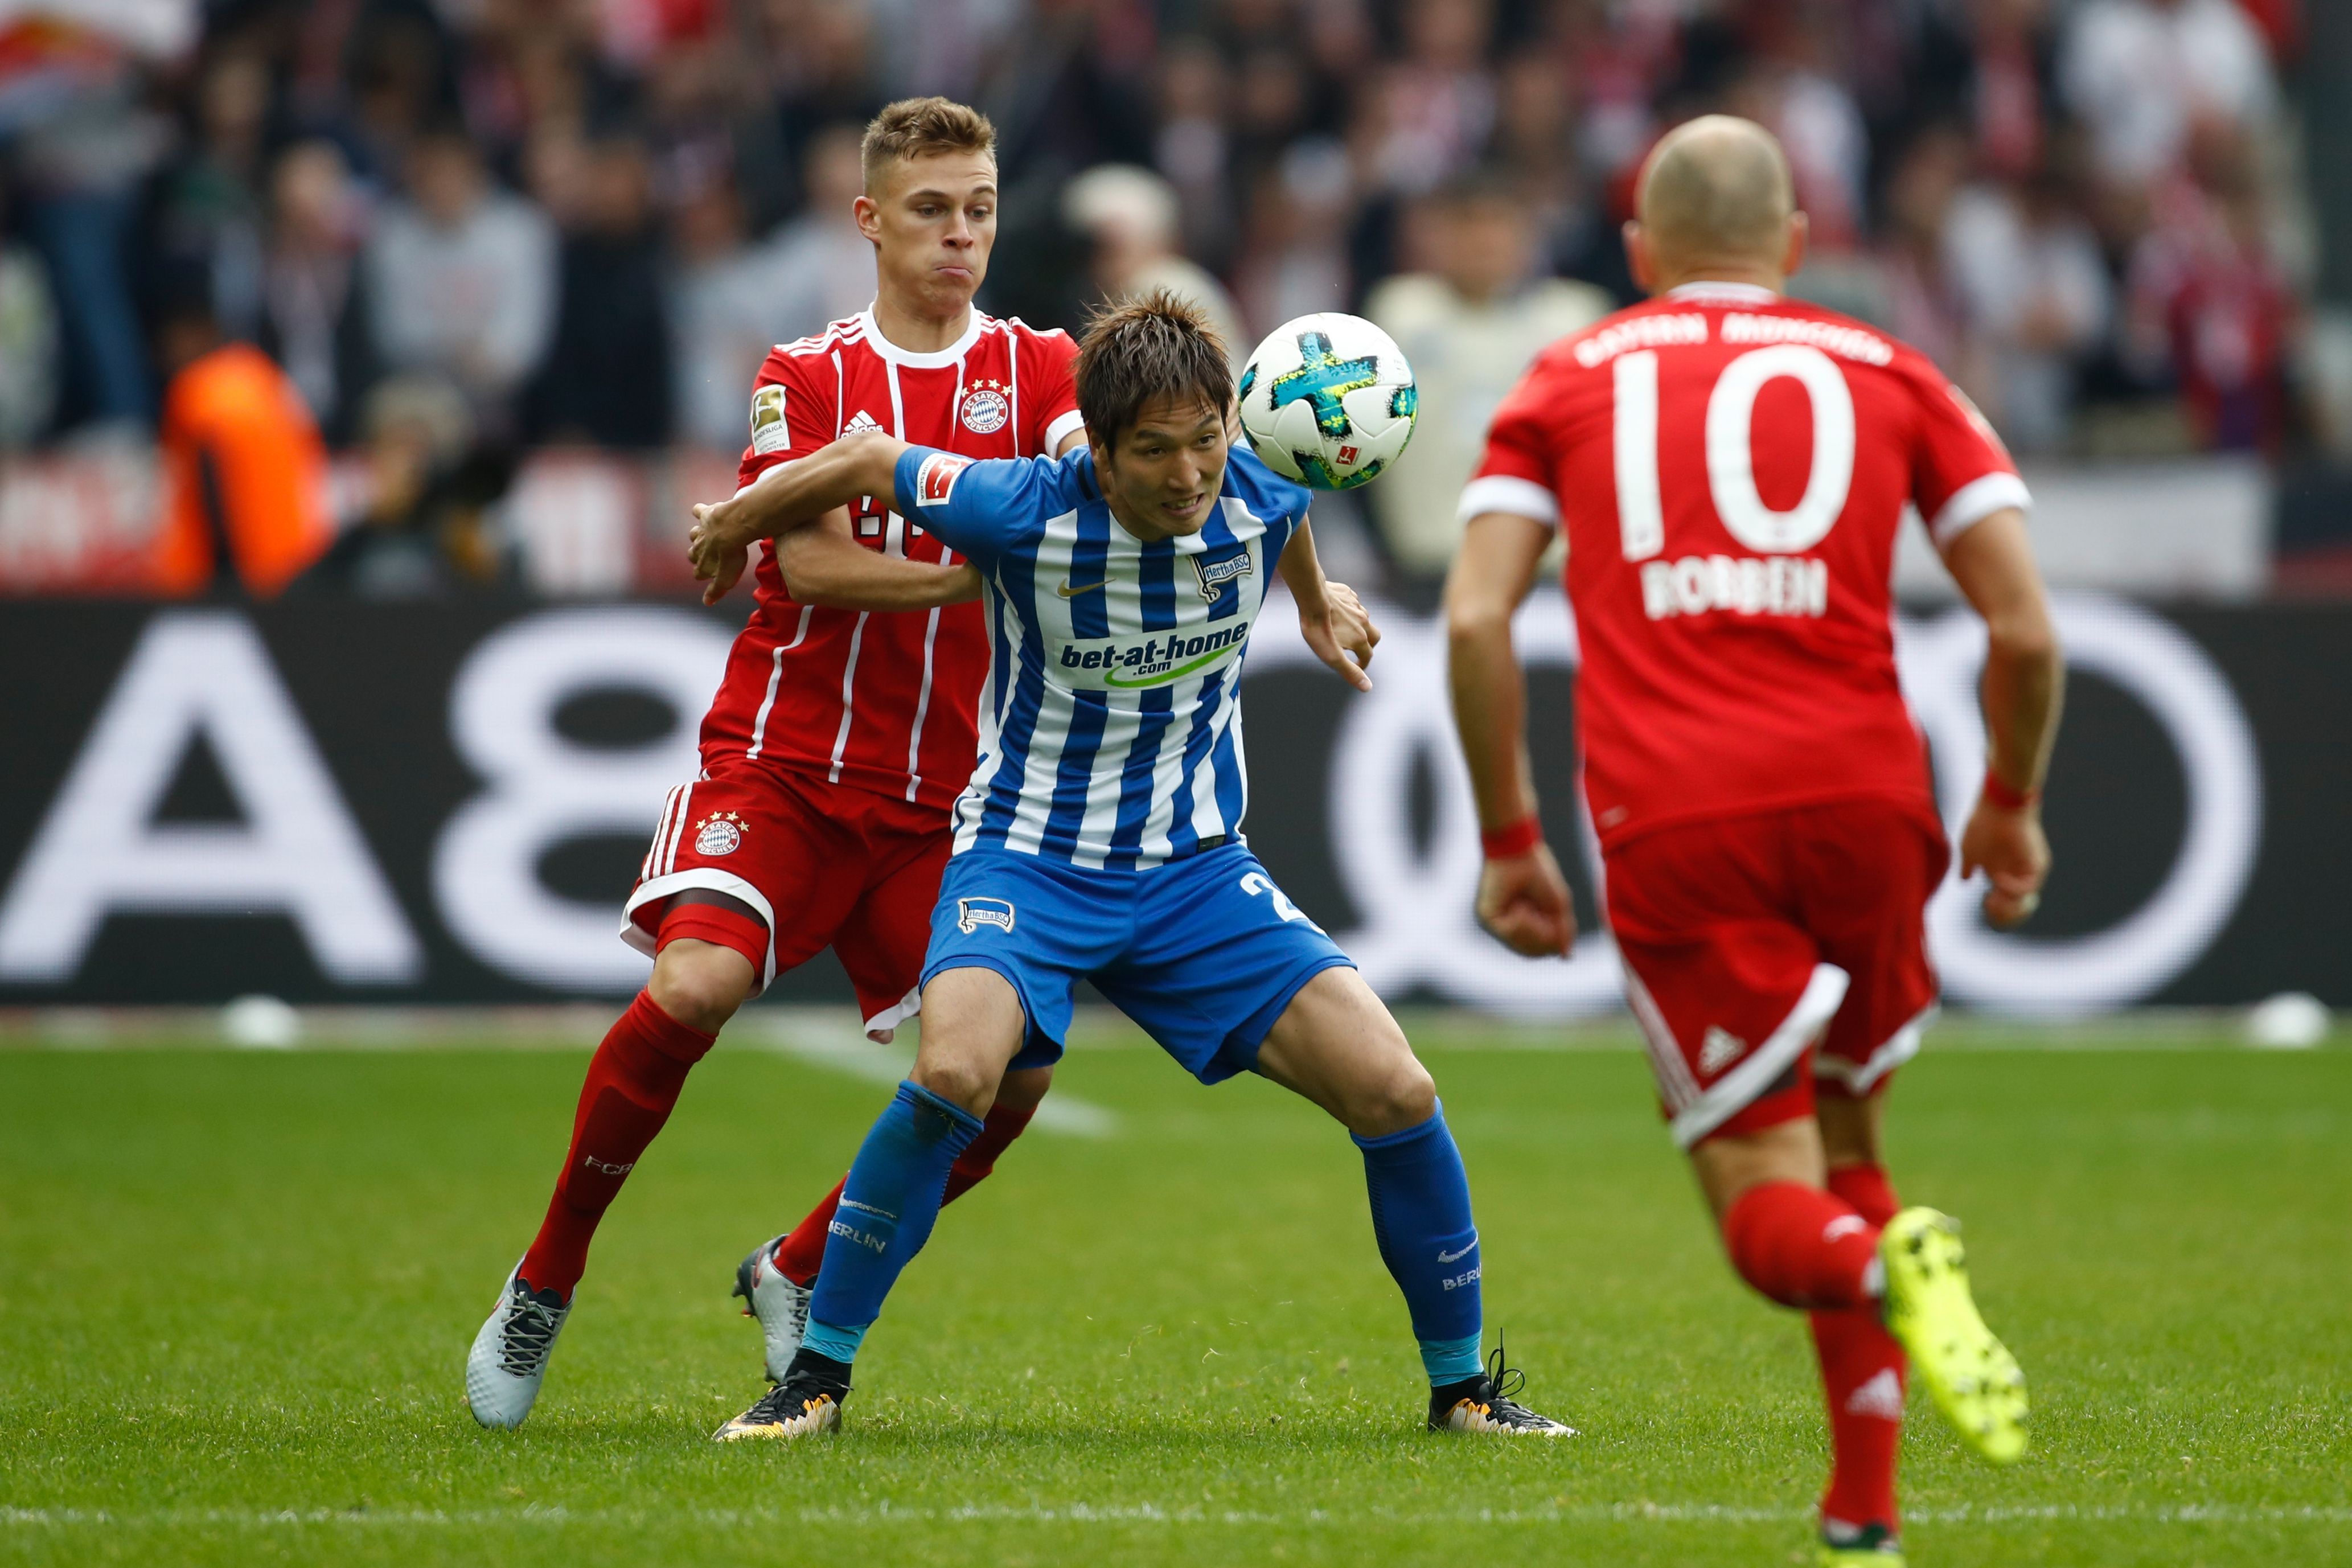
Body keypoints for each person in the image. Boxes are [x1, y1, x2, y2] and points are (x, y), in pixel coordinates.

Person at [687, 292, 1576, 1445]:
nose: (1188, 474)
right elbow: (860, 459)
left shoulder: (1261, 477)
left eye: (1205, 440)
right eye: (1153, 451)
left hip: (1194, 872)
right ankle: (814, 1378)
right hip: (1027, 860)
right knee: (953, 1074)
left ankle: (1462, 1391)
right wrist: (735, 523)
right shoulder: (1019, 504)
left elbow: (1285, 500)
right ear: (1095, 452)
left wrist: (1314, 602)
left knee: (1399, 1091)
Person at [1443, 117, 2057, 1567]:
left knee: (1764, 1198)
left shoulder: (1568, 374)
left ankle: (1881, 1269)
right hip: (1870, 803)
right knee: (1849, 1138)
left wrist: (1509, 835)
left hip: (1682, 810)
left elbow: (1473, 617)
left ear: (1640, 249)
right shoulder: (1894, 368)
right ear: (1792, 241)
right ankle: (1864, 1513)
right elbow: (2025, 629)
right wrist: (2010, 801)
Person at [464, 97, 1087, 1430]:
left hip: (942, 803)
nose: (960, 235)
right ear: (868, 220)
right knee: (696, 985)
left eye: (979, 209)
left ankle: (794, 1266)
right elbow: (804, 563)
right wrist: (987, 567)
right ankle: (546, 1277)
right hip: (784, 766)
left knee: (1010, 1077)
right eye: (931, 209)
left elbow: (1101, 487)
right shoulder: (805, 373)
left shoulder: (1041, 369)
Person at [150, 299, 334, 598]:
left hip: (235, 577)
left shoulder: (200, 390)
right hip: (293, 567)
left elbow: (212, 486)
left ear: (204, 332)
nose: (166, 354)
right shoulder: (266, 377)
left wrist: (224, 578)